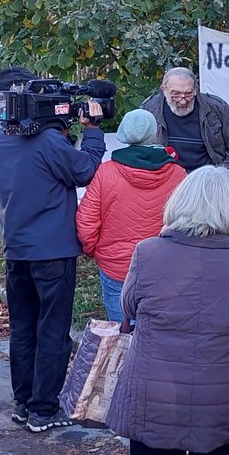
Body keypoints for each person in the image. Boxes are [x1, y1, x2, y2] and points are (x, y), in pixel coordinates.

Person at [107, 166, 229, 455]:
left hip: (154, 395)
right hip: (223, 400)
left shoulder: (147, 253)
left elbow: (128, 306)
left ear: (180, 202)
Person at [0, 66, 105, 433]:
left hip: (16, 248)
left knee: (23, 327)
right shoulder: (48, 143)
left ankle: (23, 403)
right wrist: (92, 131)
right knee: (52, 329)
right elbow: (84, 170)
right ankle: (44, 409)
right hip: (52, 249)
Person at [76, 109, 186, 322]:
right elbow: (188, 223)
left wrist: (94, 251)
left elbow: (86, 220)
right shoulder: (178, 174)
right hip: (164, 266)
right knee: (158, 332)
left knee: (122, 334)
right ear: (154, 133)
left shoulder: (106, 172)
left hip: (116, 265)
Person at [141, 67, 229, 173]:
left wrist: (224, 173)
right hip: (164, 178)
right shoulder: (150, 109)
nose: (183, 101)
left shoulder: (216, 108)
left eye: (188, 94)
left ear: (196, 89)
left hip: (207, 180)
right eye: (176, 95)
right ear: (163, 89)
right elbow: (137, 147)